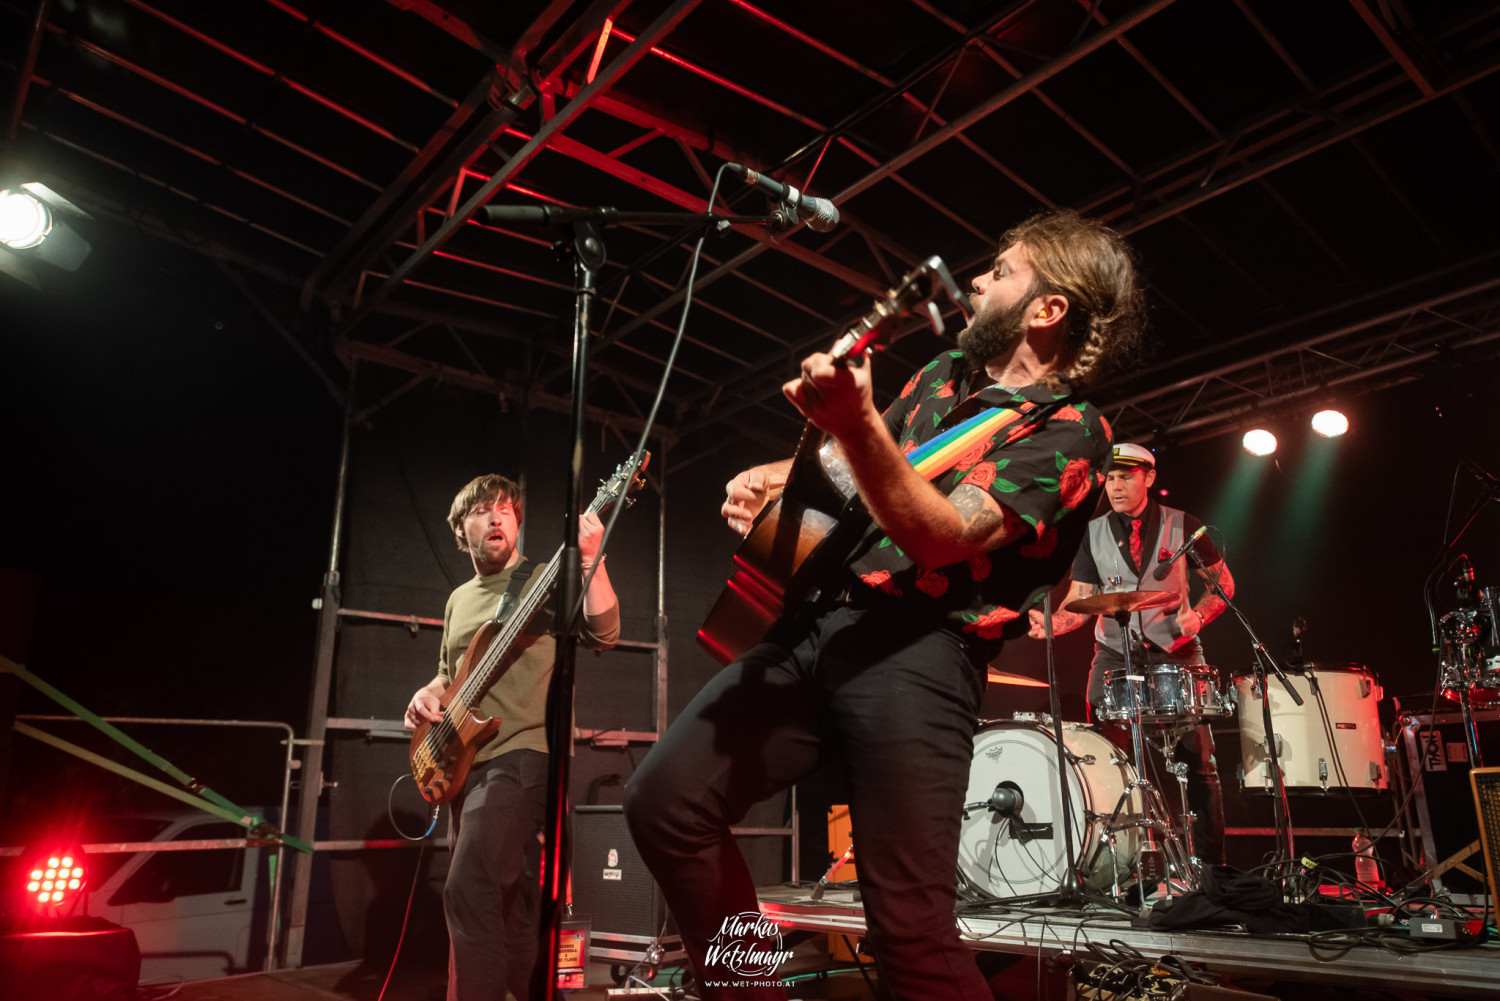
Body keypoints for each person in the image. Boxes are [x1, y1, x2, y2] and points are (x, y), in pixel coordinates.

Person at [624, 210, 1144, 1000]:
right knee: (665, 802)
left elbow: (941, 532)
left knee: (910, 932)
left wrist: (857, 420)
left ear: (1049, 310)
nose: (977, 279)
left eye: (1001, 270)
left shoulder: (1073, 433)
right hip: (817, 626)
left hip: (920, 655)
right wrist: (775, 474)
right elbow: (856, 463)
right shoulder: (940, 377)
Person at [403, 474, 620, 1001]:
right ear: (462, 529)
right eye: (482, 510)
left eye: (506, 508)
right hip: (462, 763)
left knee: (469, 888)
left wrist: (594, 559)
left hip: (524, 755)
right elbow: (448, 672)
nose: (497, 516)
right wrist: (424, 695)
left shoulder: (542, 577)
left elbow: (605, 632)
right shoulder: (458, 599)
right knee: (513, 906)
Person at [1028, 442, 1234, 866]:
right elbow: (1081, 599)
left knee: (1198, 761)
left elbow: (1223, 585)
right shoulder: (1093, 531)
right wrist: (1050, 624)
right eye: (1111, 477)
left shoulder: (1184, 525)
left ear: (1149, 477)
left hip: (1176, 649)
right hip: (1114, 652)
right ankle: (1115, 864)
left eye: (1126, 476)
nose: (1117, 486)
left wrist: (1198, 615)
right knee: (1102, 756)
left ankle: (1214, 868)